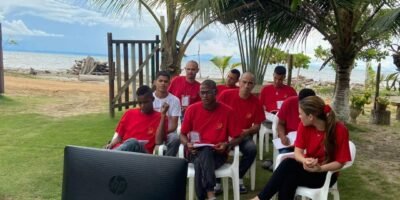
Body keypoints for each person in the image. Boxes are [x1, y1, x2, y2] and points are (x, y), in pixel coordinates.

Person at [251, 96, 351, 200]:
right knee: (288, 170)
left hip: (326, 174)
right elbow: (297, 152)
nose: (299, 116)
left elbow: (340, 162)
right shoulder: (304, 126)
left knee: (287, 172)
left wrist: (320, 168)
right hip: (307, 168)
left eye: (300, 114)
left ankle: (260, 198)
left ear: (311, 117)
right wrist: (305, 160)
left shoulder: (340, 130)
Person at [180, 80, 241, 200]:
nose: (204, 96)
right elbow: (182, 134)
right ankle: (210, 193)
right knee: (204, 152)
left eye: (208, 93)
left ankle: (203, 196)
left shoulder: (228, 111)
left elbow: (239, 137)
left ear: (216, 92)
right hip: (194, 152)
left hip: (218, 153)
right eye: (202, 93)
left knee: (203, 156)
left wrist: (227, 144)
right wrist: (187, 144)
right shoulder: (192, 110)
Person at [217, 72, 265, 194]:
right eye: (244, 82)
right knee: (215, 147)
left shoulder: (256, 102)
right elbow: (215, 113)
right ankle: (217, 181)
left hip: (243, 135)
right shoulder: (226, 95)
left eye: (250, 83)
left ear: (254, 85)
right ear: (239, 82)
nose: (246, 85)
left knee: (252, 149)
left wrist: (247, 131)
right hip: (224, 132)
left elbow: (258, 126)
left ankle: (238, 176)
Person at [261, 88, 316, 170]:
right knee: (285, 157)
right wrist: (282, 136)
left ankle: (276, 164)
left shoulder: (316, 109)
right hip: (289, 140)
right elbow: (280, 123)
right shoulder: (289, 102)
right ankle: (277, 164)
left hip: (307, 144)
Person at [105, 85, 168, 154]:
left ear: (153, 99)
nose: (142, 106)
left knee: (133, 142)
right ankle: (108, 154)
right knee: (130, 143)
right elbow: (119, 137)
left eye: (145, 102)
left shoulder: (160, 117)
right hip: (123, 152)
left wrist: (163, 115)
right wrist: (111, 144)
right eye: (140, 103)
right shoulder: (129, 113)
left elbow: (158, 142)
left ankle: (108, 155)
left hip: (142, 154)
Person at [153, 71, 181, 156]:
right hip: (151, 130)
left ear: (169, 83)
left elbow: (173, 126)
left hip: (167, 132)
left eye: (165, 81)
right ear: (155, 82)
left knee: (175, 138)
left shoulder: (175, 100)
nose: (163, 83)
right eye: (160, 81)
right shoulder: (149, 98)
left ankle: (168, 163)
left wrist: (161, 133)